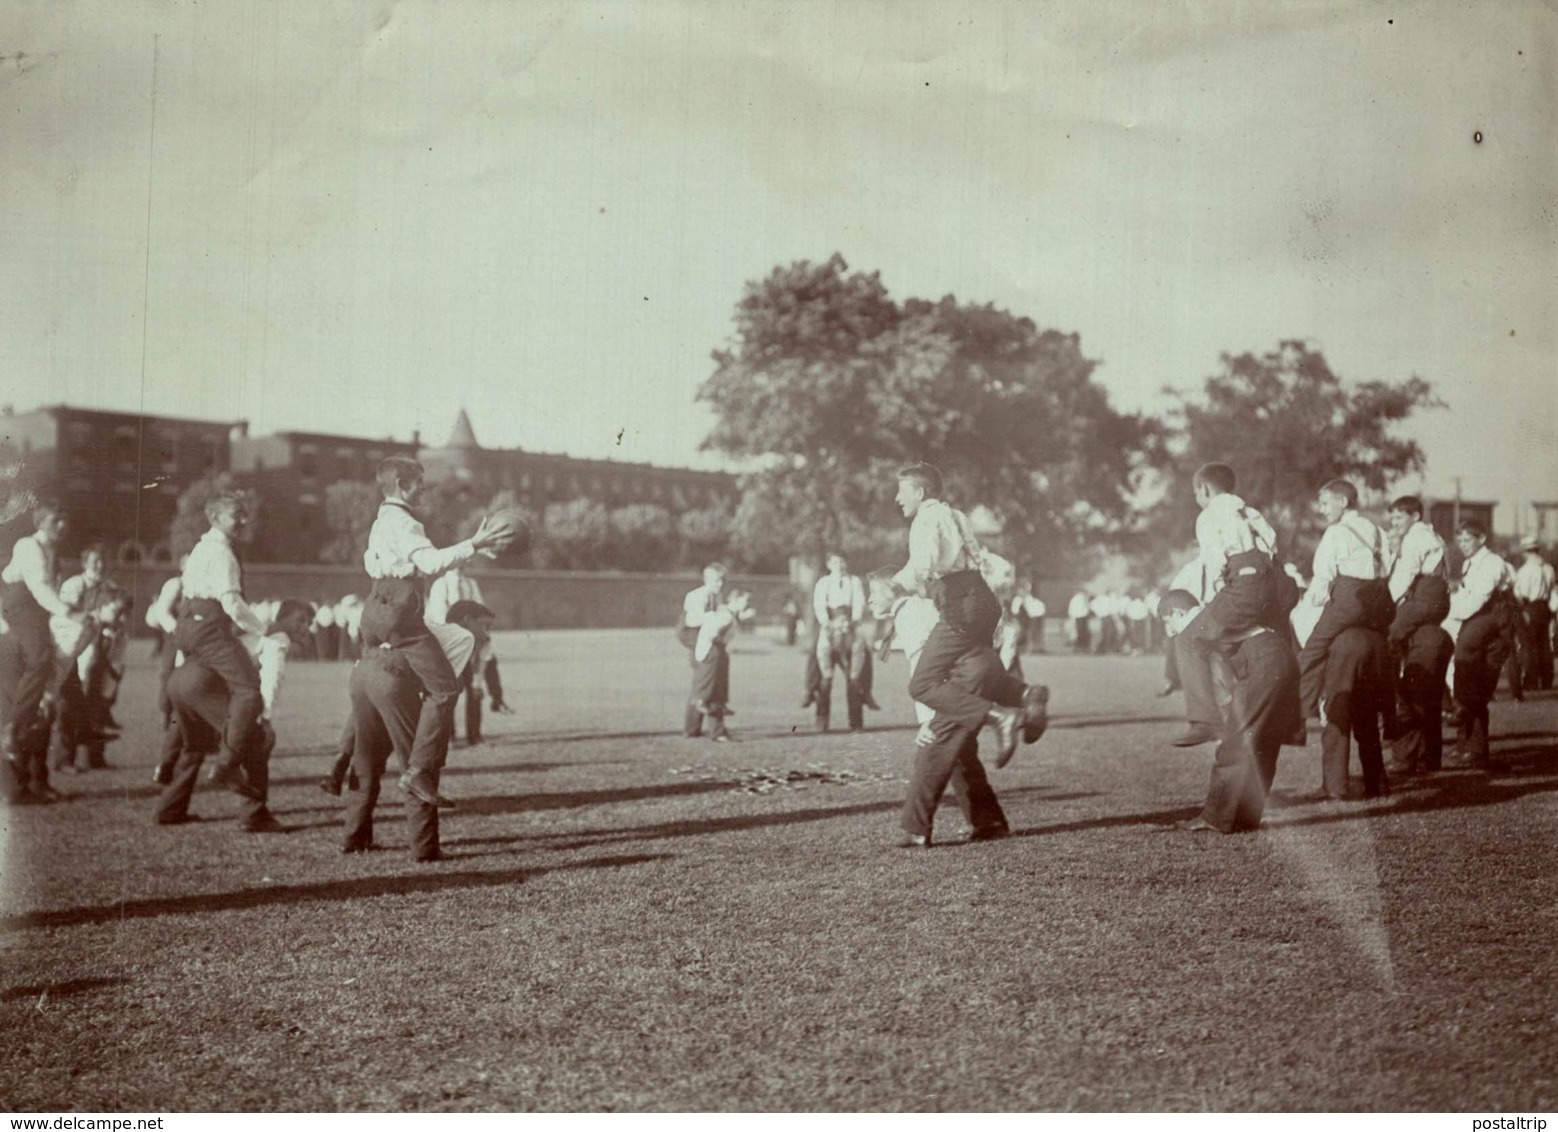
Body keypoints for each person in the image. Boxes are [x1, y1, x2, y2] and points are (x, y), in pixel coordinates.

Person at [359, 456, 506, 808]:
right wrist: (475, 543)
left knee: (363, 685)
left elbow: (370, 562)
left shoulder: (380, 521)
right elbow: (430, 563)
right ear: (401, 485)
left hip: (373, 609)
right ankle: (418, 770)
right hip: (400, 611)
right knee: (444, 688)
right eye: (419, 483)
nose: (424, 489)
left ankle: (342, 771)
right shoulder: (406, 522)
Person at [890, 463, 1048, 767]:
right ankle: (1028, 693)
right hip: (983, 599)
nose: (898, 498)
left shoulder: (925, 519)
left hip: (960, 602)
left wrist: (897, 585)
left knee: (922, 684)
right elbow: (975, 558)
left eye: (902, 491)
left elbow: (923, 566)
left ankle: (1001, 717)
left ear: (920, 492)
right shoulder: (956, 515)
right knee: (976, 664)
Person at [869, 570, 1017, 848]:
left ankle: (916, 830)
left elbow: (927, 671)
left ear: (895, 590)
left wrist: (929, 718)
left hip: (960, 682)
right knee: (960, 753)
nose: (868, 600)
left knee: (932, 751)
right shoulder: (917, 610)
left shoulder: (910, 614)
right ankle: (989, 822)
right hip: (974, 671)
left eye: (874, 593)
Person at [1157, 589, 1298, 832]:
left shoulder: (1197, 623)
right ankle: (1246, 817)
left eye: (1167, 621)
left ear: (1178, 612)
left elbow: (1216, 675)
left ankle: (1215, 817)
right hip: (1281, 658)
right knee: (1262, 742)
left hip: (1261, 663)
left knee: (1236, 742)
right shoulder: (1215, 616)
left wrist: (1213, 721)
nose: (1168, 630)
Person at [1171, 463, 1289, 748]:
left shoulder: (1210, 515)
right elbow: (1272, 548)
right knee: (1253, 643)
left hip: (1243, 582)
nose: (1197, 499)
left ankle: (1204, 721)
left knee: (1189, 638)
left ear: (1205, 489)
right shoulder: (1251, 513)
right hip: (1272, 583)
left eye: (1196, 493)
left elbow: (1216, 564)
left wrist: (1213, 603)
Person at [172, 492, 268, 798]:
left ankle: (170, 804)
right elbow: (231, 602)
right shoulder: (222, 553)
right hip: (210, 628)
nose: (243, 520)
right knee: (250, 693)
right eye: (236, 515)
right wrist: (261, 628)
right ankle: (226, 764)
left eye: (244, 514)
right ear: (215, 518)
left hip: (190, 627)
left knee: (195, 696)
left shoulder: (201, 548)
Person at [0, 501, 83, 792]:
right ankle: (13, 731)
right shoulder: (28, 546)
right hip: (20, 608)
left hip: (36, 615)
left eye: (64, 521)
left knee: (48, 693)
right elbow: (39, 588)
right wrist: (69, 612)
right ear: (40, 523)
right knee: (40, 660)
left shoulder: (53, 553)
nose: (62, 526)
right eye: (55, 521)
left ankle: (38, 779)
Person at [1296, 479, 1392, 722]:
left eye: (1326, 503)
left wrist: (1311, 600)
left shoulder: (1336, 532)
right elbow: (1387, 567)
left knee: (1312, 651)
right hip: (1380, 604)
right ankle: (1389, 712)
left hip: (1350, 601)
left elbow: (1323, 576)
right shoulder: (1379, 531)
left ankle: (1300, 711)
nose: (1323, 509)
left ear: (1344, 502)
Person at [342, 642, 444, 861]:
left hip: (363, 671)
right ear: (466, 619)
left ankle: (354, 838)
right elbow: (441, 698)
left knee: (366, 759)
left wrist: (344, 750)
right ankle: (425, 849)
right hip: (394, 678)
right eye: (482, 626)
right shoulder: (461, 639)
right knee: (417, 765)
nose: (485, 634)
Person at [1443, 519, 1515, 770]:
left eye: (1468, 539)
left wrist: (1449, 611)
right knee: (1469, 683)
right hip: (1479, 625)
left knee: (1475, 687)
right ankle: (1469, 748)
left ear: (1482, 539)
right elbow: (1465, 598)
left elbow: (1476, 601)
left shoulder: (1493, 563)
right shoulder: (1469, 564)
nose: (1463, 544)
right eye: (1460, 540)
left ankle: (1473, 745)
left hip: (1495, 627)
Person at [685, 589, 750, 742]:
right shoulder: (724, 615)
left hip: (716, 650)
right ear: (735, 600)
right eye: (746, 600)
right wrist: (720, 641)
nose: (748, 604)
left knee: (713, 688)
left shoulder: (728, 614)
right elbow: (712, 632)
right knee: (711, 689)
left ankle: (695, 728)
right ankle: (714, 728)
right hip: (713, 651)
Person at [1513, 536, 1555, 692]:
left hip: (1530, 607)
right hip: (1545, 607)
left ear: (1525, 551)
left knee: (1529, 646)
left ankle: (1531, 681)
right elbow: (1551, 590)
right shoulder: (1548, 568)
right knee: (1544, 644)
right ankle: (1546, 680)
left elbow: (1522, 594)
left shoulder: (1525, 570)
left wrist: (1523, 610)